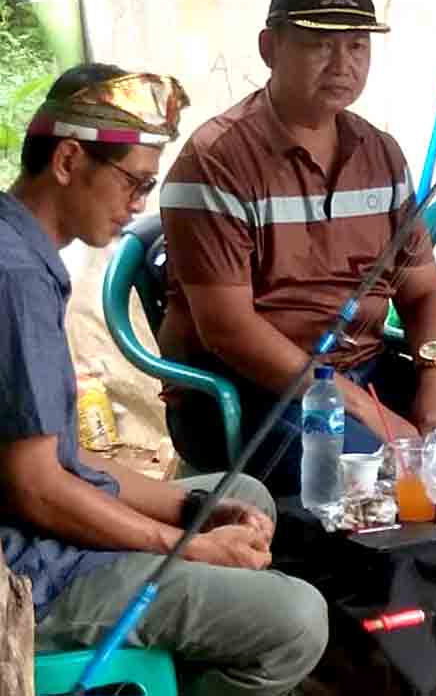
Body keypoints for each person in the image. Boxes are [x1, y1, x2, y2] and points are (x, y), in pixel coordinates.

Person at [0, 63, 328, 696]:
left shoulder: (23, 252)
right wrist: (183, 544)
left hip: (40, 527)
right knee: (297, 621)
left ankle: (166, 668)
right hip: (31, 574)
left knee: (244, 497)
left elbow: (63, 458)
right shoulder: (14, 277)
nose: (139, 204)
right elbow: (36, 490)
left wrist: (191, 508)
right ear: (69, 160)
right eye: (134, 182)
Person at [159, 0, 436, 495]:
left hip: (365, 368)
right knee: (381, 483)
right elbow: (229, 331)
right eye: (319, 45)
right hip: (251, 390)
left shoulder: (380, 153)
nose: (342, 65)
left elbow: (424, 290)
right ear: (268, 47)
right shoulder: (217, 159)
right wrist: (364, 411)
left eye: (357, 47)